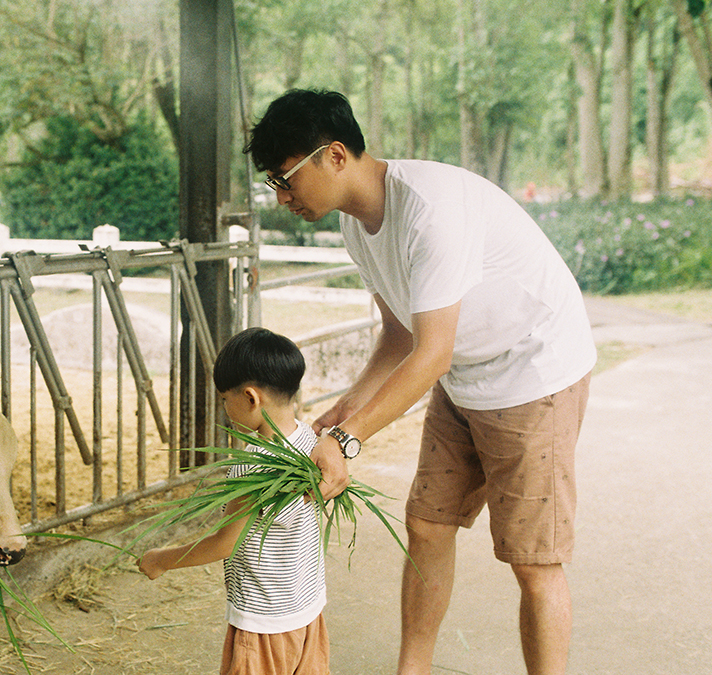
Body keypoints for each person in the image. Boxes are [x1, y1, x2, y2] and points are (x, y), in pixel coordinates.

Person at [244, 88, 595, 675]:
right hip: (463, 375)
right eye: (273, 186)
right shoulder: (360, 224)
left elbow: (430, 355)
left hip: (534, 373)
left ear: (334, 155)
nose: (282, 198)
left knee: (533, 561)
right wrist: (349, 403)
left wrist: (349, 439)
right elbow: (401, 335)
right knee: (428, 523)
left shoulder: (431, 210)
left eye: (285, 179)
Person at [137, 327, 331, 675]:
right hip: (307, 608)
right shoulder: (312, 444)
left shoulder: (254, 464)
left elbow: (225, 543)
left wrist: (162, 559)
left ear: (251, 397)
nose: (225, 406)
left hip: (264, 621)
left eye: (226, 398)